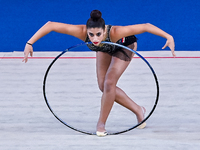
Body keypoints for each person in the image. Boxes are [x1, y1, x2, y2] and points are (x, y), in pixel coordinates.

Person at [23, 10, 175, 136]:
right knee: (103, 86)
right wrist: (30, 43)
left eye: (98, 34)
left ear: (104, 31)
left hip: (123, 46)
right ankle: (138, 109)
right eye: (91, 35)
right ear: (87, 32)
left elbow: (146, 26)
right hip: (105, 48)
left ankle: (101, 124)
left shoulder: (116, 32)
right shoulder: (81, 32)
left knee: (110, 83)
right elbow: (51, 25)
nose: (94, 38)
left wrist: (168, 36)